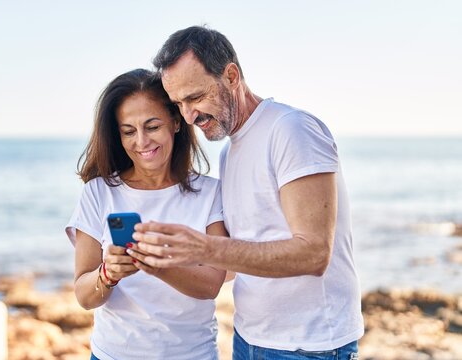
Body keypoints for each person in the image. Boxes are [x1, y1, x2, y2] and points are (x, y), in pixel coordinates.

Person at [128, 26, 364, 359]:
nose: (189, 115)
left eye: (195, 97)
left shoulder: (291, 130)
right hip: (248, 339)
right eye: (179, 103)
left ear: (232, 76)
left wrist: (207, 247)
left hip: (309, 346)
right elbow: (248, 251)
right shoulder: (229, 151)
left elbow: (314, 254)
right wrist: (165, 260)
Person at [65, 68, 227, 360]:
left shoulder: (210, 193)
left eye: (152, 127)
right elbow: (84, 297)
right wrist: (108, 273)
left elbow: (212, 285)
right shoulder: (99, 192)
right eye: (129, 131)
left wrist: (153, 263)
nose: (141, 142)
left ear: (176, 122)